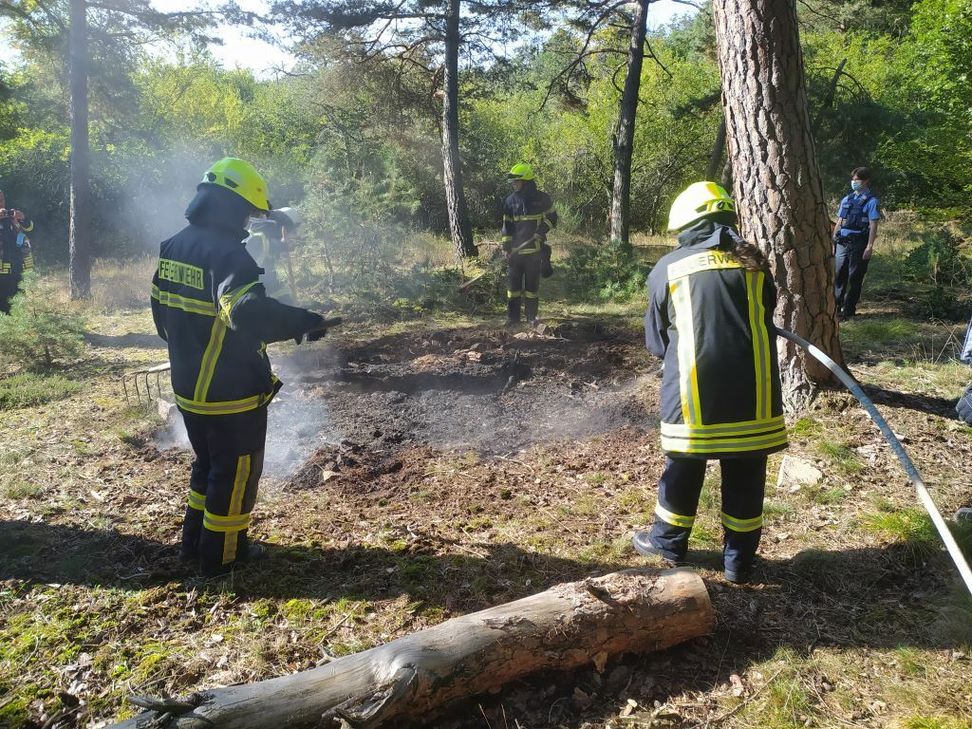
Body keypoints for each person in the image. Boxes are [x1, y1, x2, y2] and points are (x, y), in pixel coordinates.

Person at [151, 158, 332, 577]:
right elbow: (247, 314)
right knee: (235, 475)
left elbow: (160, 316)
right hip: (227, 392)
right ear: (231, 206)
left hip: (188, 386)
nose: (249, 222)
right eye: (248, 212)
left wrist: (188, 348)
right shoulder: (230, 256)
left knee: (208, 464)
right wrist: (302, 321)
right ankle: (224, 558)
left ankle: (194, 545)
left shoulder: (174, 244)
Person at [632, 181, 788, 584]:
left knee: (683, 466)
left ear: (686, 226)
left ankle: (667, 544)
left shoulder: (668, 268)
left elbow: (656, 343)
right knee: (747, 472)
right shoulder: (755, 265)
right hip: (755, 393)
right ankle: (738, 563)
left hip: (692, 393)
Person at [501, 163, 557, 326]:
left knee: (532, 289)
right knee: (513, 289)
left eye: (516, 181)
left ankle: (532, 318)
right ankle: (513, 319)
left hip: (534, 252)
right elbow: (507, 226)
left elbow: (552, 218)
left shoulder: (542, 199)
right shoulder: (510, 201)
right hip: (515, 255)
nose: (513, 184)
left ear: (526, 182)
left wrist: (541, 230)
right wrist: (506, 247)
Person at [833, 167, 880, 321]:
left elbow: (873, 225)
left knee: (855, 276)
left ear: (866, 181)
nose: (854, 183)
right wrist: (834, 237)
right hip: (843, 242)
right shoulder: (846, 199)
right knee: (840, 274)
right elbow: (840, 220)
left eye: (857, 180)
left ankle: (849, 310)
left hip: (859, 242)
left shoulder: (872, 201)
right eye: (853, 180)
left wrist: (869, 246)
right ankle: (836, 308)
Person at [245, 206, 300, 304]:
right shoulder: (260, 240)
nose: (291, 236)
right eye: (291, 231)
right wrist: (289, 305)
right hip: (249, 296)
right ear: (283, 228)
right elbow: (264, 279)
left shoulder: (257, 234)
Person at [0, 188, 35, 315]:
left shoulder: (10, 217)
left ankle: (15, 334)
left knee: (16, 307)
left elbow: (30, 230)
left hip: (16, 270)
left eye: (2, 199)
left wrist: (22, 218)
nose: (1, 203)